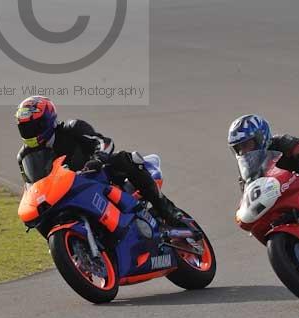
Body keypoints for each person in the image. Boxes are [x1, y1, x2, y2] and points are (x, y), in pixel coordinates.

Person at [16, 95, 184, 226]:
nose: (30, 132)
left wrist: (97, 159)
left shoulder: (72, 128)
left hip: (96, 176)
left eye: (34, 127)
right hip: (65, 193)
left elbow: (104, 143)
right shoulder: (25, 156)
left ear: (48, 121)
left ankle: (167, 210)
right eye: (25, 128)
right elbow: (32, 186)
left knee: (124, 159)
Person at [228, 113, 299, 191]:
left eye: (247, 145)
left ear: (261, 137)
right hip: (278, 198)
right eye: (239, 148)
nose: (244, 151)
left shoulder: (281, 141)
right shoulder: (247, 173)